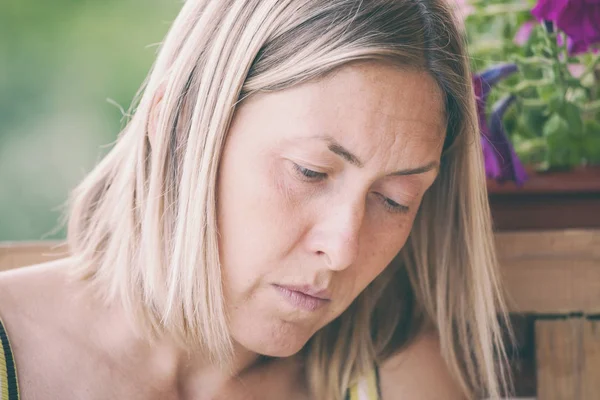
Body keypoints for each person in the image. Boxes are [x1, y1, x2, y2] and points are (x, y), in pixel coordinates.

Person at [0, 0, 513, 399]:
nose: (343, 250)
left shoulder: (392, 378)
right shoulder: (13, 352)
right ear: (181, 125)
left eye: (395, 199)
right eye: (310, 172)